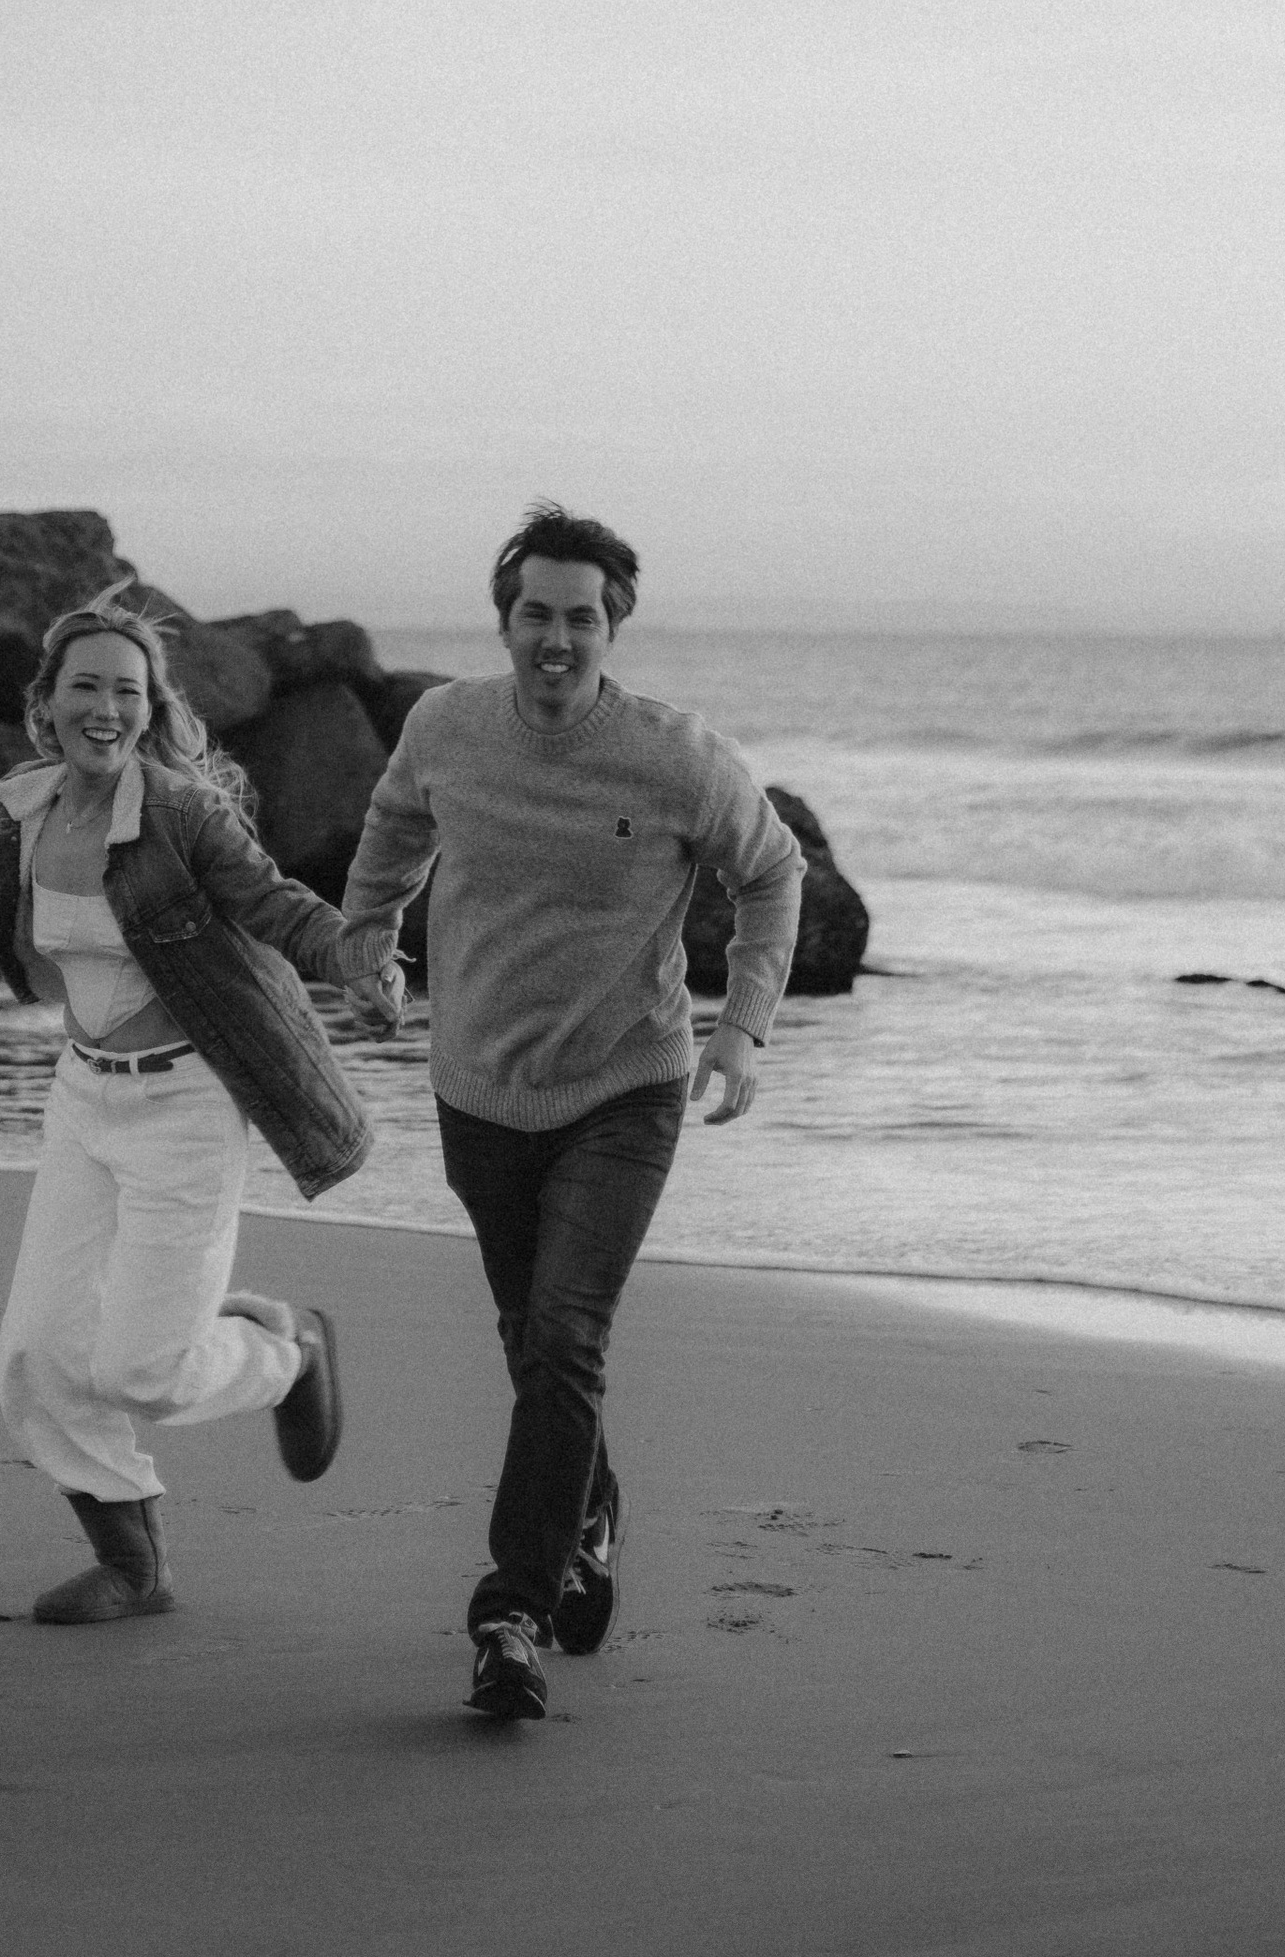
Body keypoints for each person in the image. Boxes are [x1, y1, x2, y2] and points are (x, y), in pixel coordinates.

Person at [0, 582, 400, 1627]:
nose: (106, 705)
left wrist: (351, 956)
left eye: (127, 689)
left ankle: (288, 1351)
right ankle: (134, 1564)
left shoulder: (181, 814)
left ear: (150, 706)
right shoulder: (20, 809)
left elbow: (271, 901)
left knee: (145, 1371)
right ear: (45, 703)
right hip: (84, 1102)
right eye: (85, 685)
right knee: (37, 1351)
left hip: (187, 1105)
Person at [336, 503, 804, 1723]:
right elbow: (391, 823)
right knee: (528, 1337)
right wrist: (366, 929)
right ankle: (587, 1516)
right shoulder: (445, 726)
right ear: (505, 621)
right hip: (479, 1086)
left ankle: (511, 1609)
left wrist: (741, 1025)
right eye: (535, 612)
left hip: (623, 1086)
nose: (557, 636)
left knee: (562, 1331)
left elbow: (772, 871)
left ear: (613, 627)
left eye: (581, 616)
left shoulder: (674, 757)